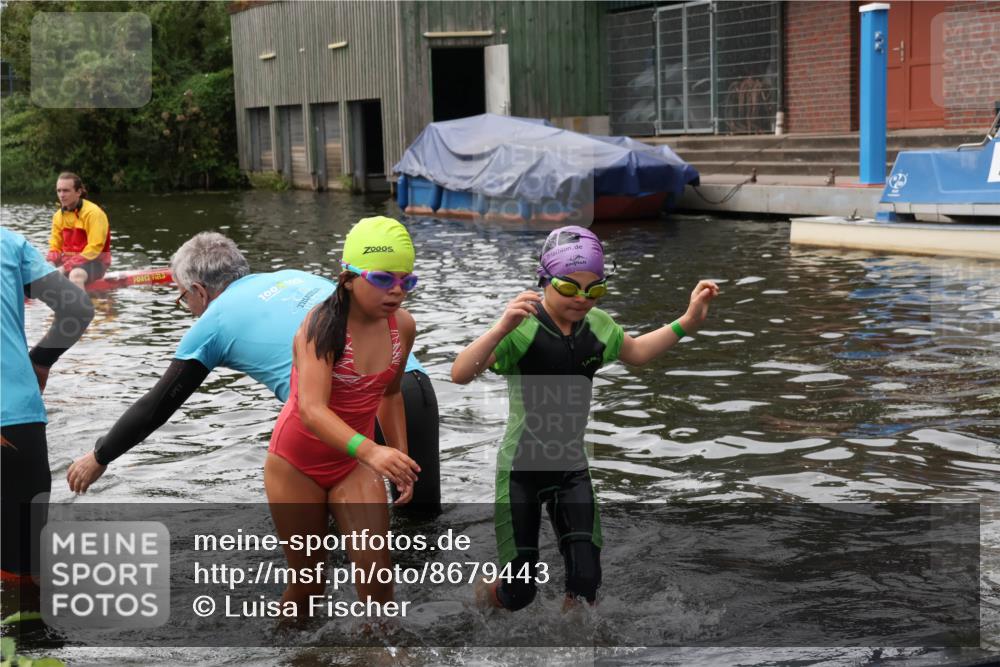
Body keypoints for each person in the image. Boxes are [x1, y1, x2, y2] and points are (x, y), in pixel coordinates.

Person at [66, 231, 440, 512]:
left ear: (198, 290)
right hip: (414, 389)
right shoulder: (293, 276)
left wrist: (99, 456)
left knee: (324, 555)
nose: (189, 308)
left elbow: (158, 404)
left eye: (183, 299)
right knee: (421, 533)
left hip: (349, 419)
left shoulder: (214, 320)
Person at [451, 225, 720, 611]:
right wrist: (499, 329)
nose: (581, 298)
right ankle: (486, 594)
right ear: (544, 279)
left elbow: (638, 352)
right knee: (519, 593)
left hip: (571, 469)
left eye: (594, 290)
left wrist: (687, 322)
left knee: (586, 582)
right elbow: (460, 373)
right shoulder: (520, 327)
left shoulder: (599, 327)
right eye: (568, 287)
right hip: (520, 472)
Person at [265, 216, 421, 617]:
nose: (398, 291)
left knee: (378, 577)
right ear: (349, 277)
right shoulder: (321, 327)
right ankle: (291, 654)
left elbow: (388, 394)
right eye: (385, 279)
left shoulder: (402, 327)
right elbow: (312, 410)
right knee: (309, 583)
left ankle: (378, 654)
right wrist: (373, 451)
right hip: (296, 465)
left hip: (353, 464)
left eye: (407, 281)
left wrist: (398, 459)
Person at [1, 227, 94, 587]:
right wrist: (40, 361)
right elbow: (76, 308)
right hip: (15, 420)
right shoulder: (8, 244)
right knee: (23, 576)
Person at [46, 172, 112, 290]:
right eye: (59, 191)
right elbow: (55, 246)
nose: (61, 195)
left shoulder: (94, 214)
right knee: (41, 270)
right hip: (69, 262)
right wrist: (50, 263)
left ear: (78, 192)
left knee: (75, 275)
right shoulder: (57, 216)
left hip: (95, 262)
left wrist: (65, 268)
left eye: (66, 191)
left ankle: (81, 308)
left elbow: (94, 249)